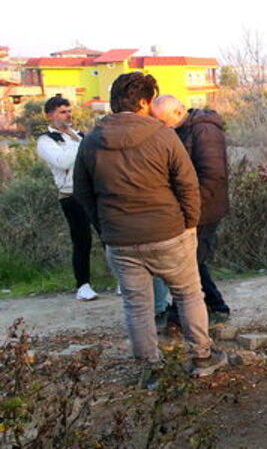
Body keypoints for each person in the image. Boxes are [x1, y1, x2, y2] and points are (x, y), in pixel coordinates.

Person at [73, 72, 226, 387]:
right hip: (169, 233)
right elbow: (188, 185)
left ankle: (151, 370)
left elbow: (83, 193)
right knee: (188, 294)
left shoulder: (90, 141)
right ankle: (201, 356)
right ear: (143, 101)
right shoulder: (163, 136)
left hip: (120, 239)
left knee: (137, 305)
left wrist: (106, 229)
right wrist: (189, 223)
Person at [151, 95, 232, 323]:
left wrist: (190, 211)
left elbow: (212, 176)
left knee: (188, 263)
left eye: (161, 120)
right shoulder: (184, 129)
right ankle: (216, 306)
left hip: (205, 208)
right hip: (197, 206)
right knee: (194, 259)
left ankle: (182, 314)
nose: (159, 125)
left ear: (177, 113)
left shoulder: (204, 131)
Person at [36, 96, 97, 301]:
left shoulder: (79, 136)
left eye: (69, 111)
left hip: (93, 192)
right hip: (71, 195)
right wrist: (80, 143)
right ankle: (83, 285)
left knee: (109, 237)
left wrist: (79, 139)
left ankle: (120, 281)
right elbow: (61, 161)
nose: (67, 115)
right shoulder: (46, 140)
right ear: (50, 115)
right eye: (62, 111)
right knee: (81, 240)